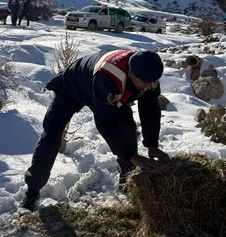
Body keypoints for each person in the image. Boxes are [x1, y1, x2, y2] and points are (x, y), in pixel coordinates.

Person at [21, 48, 170, 211]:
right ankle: (32, 190)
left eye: (152, 82)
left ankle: (128, 184)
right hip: (72, 87)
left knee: (127, 128)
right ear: (131, 73)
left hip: (107, 89)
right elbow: (105, 122)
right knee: (51, 134)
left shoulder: (148, 74)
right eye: (145, 82)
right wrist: (131, 156)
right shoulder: (109, 78)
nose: (149, 87)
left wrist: (152, 144)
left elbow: (150, 108)